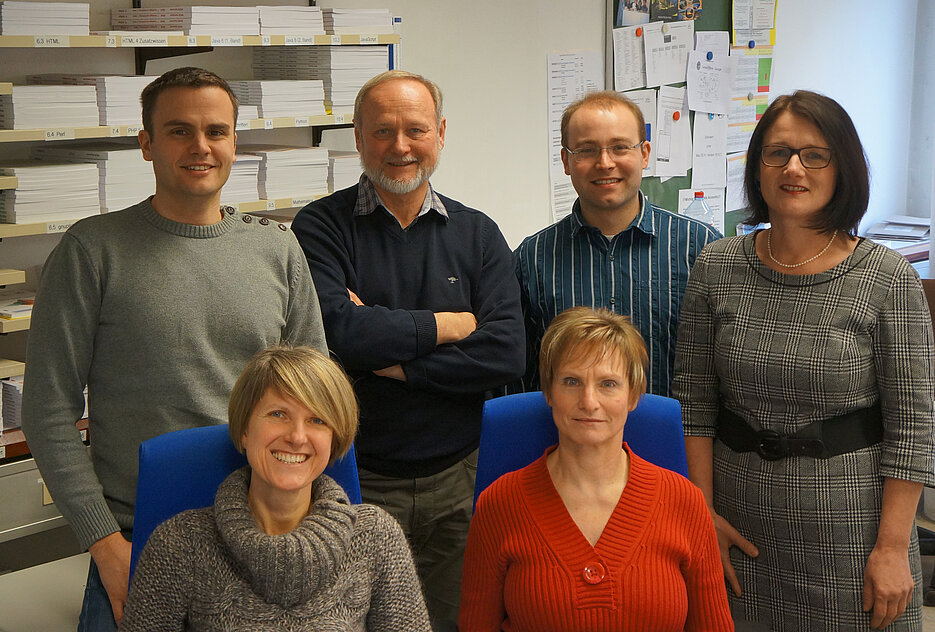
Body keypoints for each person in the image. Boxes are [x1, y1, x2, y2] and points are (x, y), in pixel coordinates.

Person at [21, 67, 327, 632]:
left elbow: (318, 402)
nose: (200, 147)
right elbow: (46, 411)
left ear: (234, 142)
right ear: (147, 144)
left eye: (216, 131)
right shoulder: (92, 251)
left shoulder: (278, 250)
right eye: (179, 131)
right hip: (140, 541)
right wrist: (104, 545)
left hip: (262, 532)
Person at [672, 90, 935, 631]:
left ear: (843, 168)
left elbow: (913, 425)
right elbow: (694, 404)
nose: (794, 168)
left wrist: (891, 547)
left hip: (852, 528)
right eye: (778, 152)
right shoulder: (716, 267)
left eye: (815, 155)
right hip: (740, 521)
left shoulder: (886, 278)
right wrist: (703, 516)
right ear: (758, 166)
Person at [291, 69, 525, 629]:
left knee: (452, 621)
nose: (400, 147)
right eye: (382, 131)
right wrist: (448, 325)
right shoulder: (319, 228)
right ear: (358, 137)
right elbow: (339, 334)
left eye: (415, 130)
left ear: (440, 134)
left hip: (461, 482)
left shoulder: (478, 234)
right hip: (354, 481)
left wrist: (392, 362)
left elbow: (506, 353)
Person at [459, 306, 733, 632]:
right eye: (571, 381)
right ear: (549, 392)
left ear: (633, 396)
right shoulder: (499, 504)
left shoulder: (686, 502)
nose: (589, 402)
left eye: (608, 384)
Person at [120, 345, 431, 631]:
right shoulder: (179, 545)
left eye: (317, 420)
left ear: (335, 438)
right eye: (278, 414)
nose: (297, 437)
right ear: (245, 429)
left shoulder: (377, 537)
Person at [514, 91, 721, 397]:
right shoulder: (532, 259)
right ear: (566, 161)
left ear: (645, 154)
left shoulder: (701, 248)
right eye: (586, 150)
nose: (605, 163)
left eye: (620, 147)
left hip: (674, 428)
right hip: (571, 428)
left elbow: (722, 367)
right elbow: (522, 377)